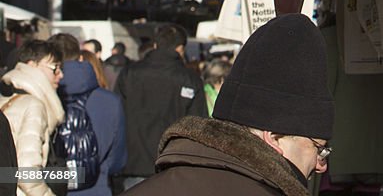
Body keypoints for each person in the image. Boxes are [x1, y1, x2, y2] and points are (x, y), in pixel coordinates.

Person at [119, 14, 334, 196]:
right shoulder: (187, 78)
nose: (321, 165)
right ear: (274, 137)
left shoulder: (129, 74)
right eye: (319, 148)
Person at [115, 23, 206, 188]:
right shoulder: (190, 79)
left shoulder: (129, 74)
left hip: (133, 163)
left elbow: (116, 117)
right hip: (173, 165)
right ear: (180, 49)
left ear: (155, 45)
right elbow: (198, 128)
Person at [50, 34, 126, 196]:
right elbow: (117, 160)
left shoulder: (38, 98)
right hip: (96, 187)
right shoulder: (110, 101)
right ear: (79, 56)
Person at [0, 39, 65, 196]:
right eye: (54, 68)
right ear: (32, 65)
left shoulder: (5, 96)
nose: (60, 75)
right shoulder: (33, 105)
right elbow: (26, 173)